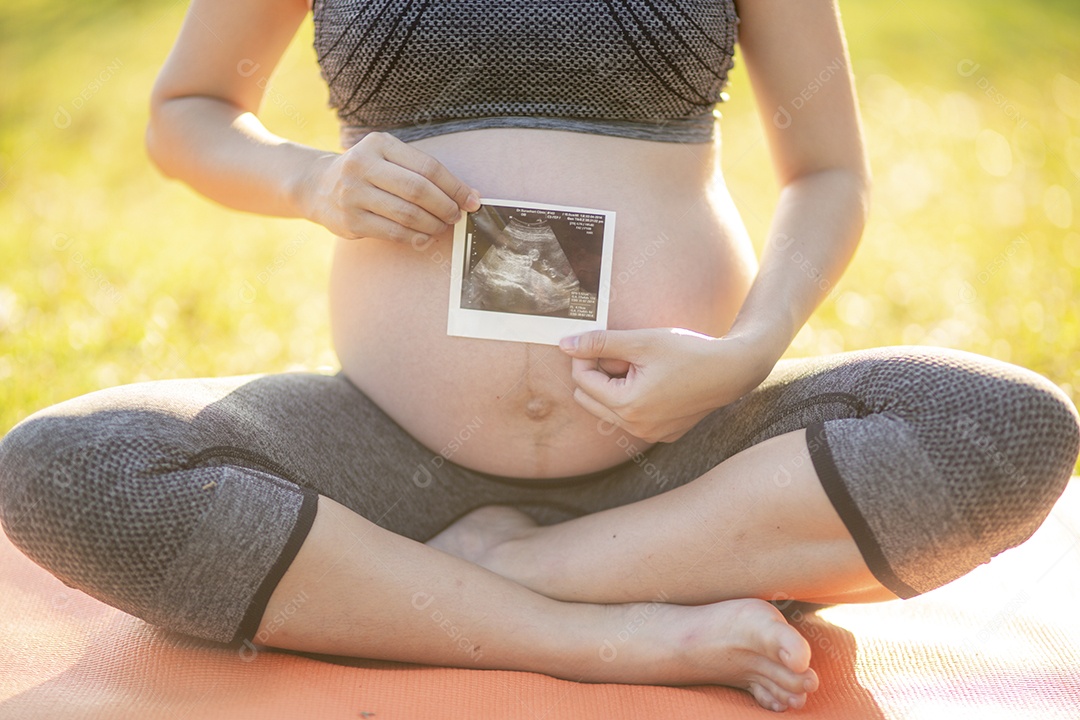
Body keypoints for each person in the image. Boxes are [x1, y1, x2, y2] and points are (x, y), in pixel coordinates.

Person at [0, 0, 1077, 713]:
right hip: (388, 469)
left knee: (1008, 424)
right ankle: (600, 635)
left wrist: (746, 352)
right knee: (70, 463)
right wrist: (309, 181)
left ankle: (521, 572)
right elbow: (189, 113)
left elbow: (829, 170)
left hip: (683, 467)